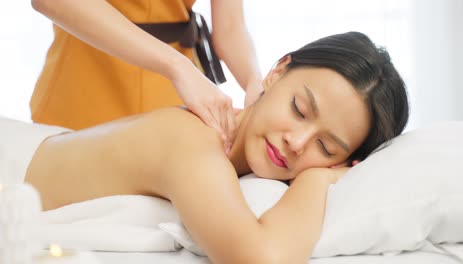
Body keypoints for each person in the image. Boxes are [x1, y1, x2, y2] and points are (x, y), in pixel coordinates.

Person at [22, 32, 408, 263]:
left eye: (325, 147)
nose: (297, 141)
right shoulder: (193, 142)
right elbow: (261, 261)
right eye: (299, 109)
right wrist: (319, 181)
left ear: (349, 160)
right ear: (275, 73)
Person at [29, 0, 263, 155]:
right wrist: (177, 66)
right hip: (84, 85)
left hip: (174, 99)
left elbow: (231, 26)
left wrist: (255, 83)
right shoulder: (178, 68)